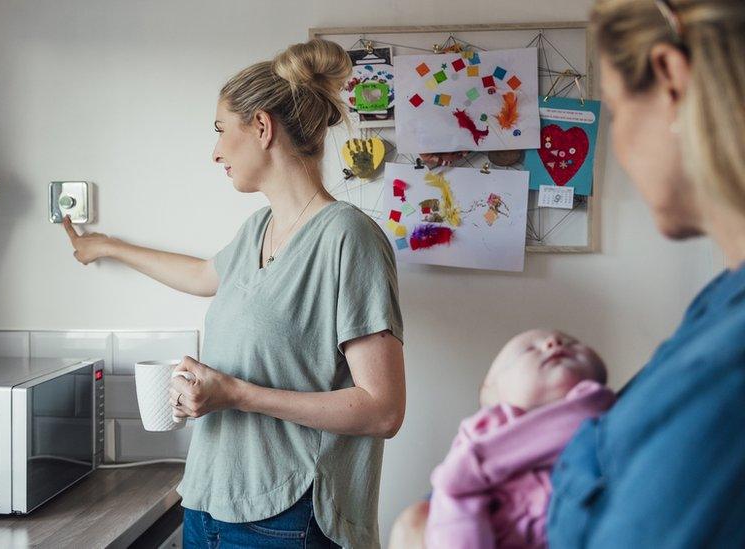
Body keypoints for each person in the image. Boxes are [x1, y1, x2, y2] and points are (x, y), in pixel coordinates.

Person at [391, 0, 745, 546]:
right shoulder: (719, 306)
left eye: (620, 113)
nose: (621, 150)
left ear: (672, 80)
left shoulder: (727, 359)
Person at [63, 38, 405, 548]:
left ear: (262, 127)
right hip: (207, 501)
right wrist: (107, 247)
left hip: (286, 516)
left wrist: (238, 395)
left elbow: (382, 409)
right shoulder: (258, 229)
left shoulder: (348, 238)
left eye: (222, 130)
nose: (216, 151)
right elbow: (204, 274)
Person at [425, 330, 614, 549]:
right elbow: (454, 496)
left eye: (572, 342)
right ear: (493, 392)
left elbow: (459, 476)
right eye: (528, 350)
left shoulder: (593, 401)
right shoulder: (480, 430)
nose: (554, 342)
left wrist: (477, 465)